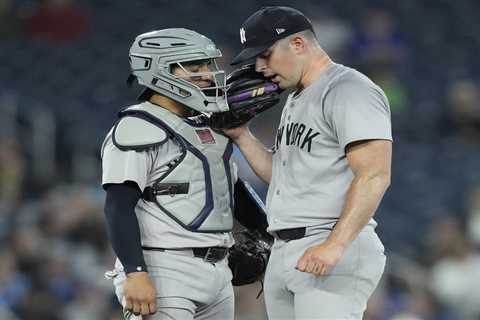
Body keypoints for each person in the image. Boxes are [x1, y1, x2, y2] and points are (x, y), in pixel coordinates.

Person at [226, 6, 392, 319]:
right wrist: (242, 136)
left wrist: (335, 245)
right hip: (285, 248)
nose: (260, 67)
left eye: (265, 55)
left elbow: (374, 175)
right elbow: (285, 177)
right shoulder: (296, 98)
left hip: (328, 241)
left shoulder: (349, 89)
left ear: (299, 44)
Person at [101, 28, 236, 320]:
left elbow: (228, 191)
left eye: (208, 65)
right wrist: (136, 272)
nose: (209, 74)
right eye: (195, 67)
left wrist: (267, 233)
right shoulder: (138, 126)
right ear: (161, 70)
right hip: (164, 266)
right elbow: (117, 206)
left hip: (219, 270)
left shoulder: (208, 124)